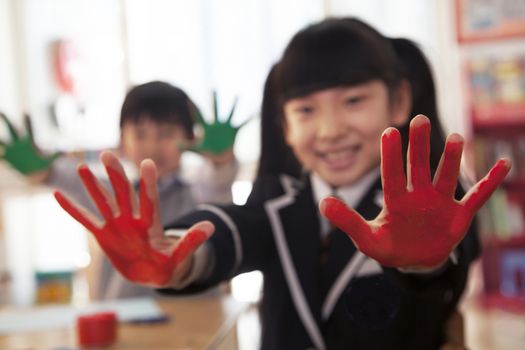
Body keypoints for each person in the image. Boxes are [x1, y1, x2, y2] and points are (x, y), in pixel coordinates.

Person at [54, 18, 510, 349]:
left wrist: (422, 260)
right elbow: (232, 229)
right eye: (305, 110)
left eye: (353, 100)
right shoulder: (278, 199)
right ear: (285, 127)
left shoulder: (428, 205)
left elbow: (447, 259)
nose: (329, 129)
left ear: (400, 100)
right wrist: (175, 256)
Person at [0, 81, 242, 299]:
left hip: (195, 321)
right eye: (140, 134)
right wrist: (45, 171)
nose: (152, 145)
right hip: (124, 320)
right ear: (121, 141)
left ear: (191, 139)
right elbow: (75, 180)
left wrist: (220, 161)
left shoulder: (198, 192)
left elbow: (217, 182)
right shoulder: (114, 198)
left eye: (166, 134)